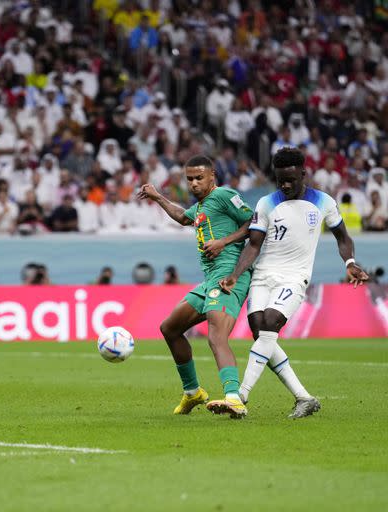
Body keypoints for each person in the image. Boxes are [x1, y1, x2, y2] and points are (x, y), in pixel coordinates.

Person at [216, 148, 369, 418]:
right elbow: (254, 244)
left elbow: (342, 237)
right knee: (259, 330)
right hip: (263, 274)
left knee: (271, 323)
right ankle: (304, 397)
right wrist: (236, 274)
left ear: (303, 173)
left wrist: (350, 263)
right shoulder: (266, 203)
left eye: (290, 180)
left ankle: (240, 396)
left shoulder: (323, 202)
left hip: (295, 276)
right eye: (280, 180)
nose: (285, 185)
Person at [138, 155, 253, 418]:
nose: (193, 183)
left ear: (212, 175)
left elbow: (255, 223)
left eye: (199, 178)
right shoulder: (201, 207)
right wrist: (158, 197)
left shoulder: (225, 195)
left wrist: (224, 241)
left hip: (230, 275)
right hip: (210, 279)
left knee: (216, 335)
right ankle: (193, 392)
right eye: (189, 179)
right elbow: (182, 217)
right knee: (170, 328)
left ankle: (234, 398)